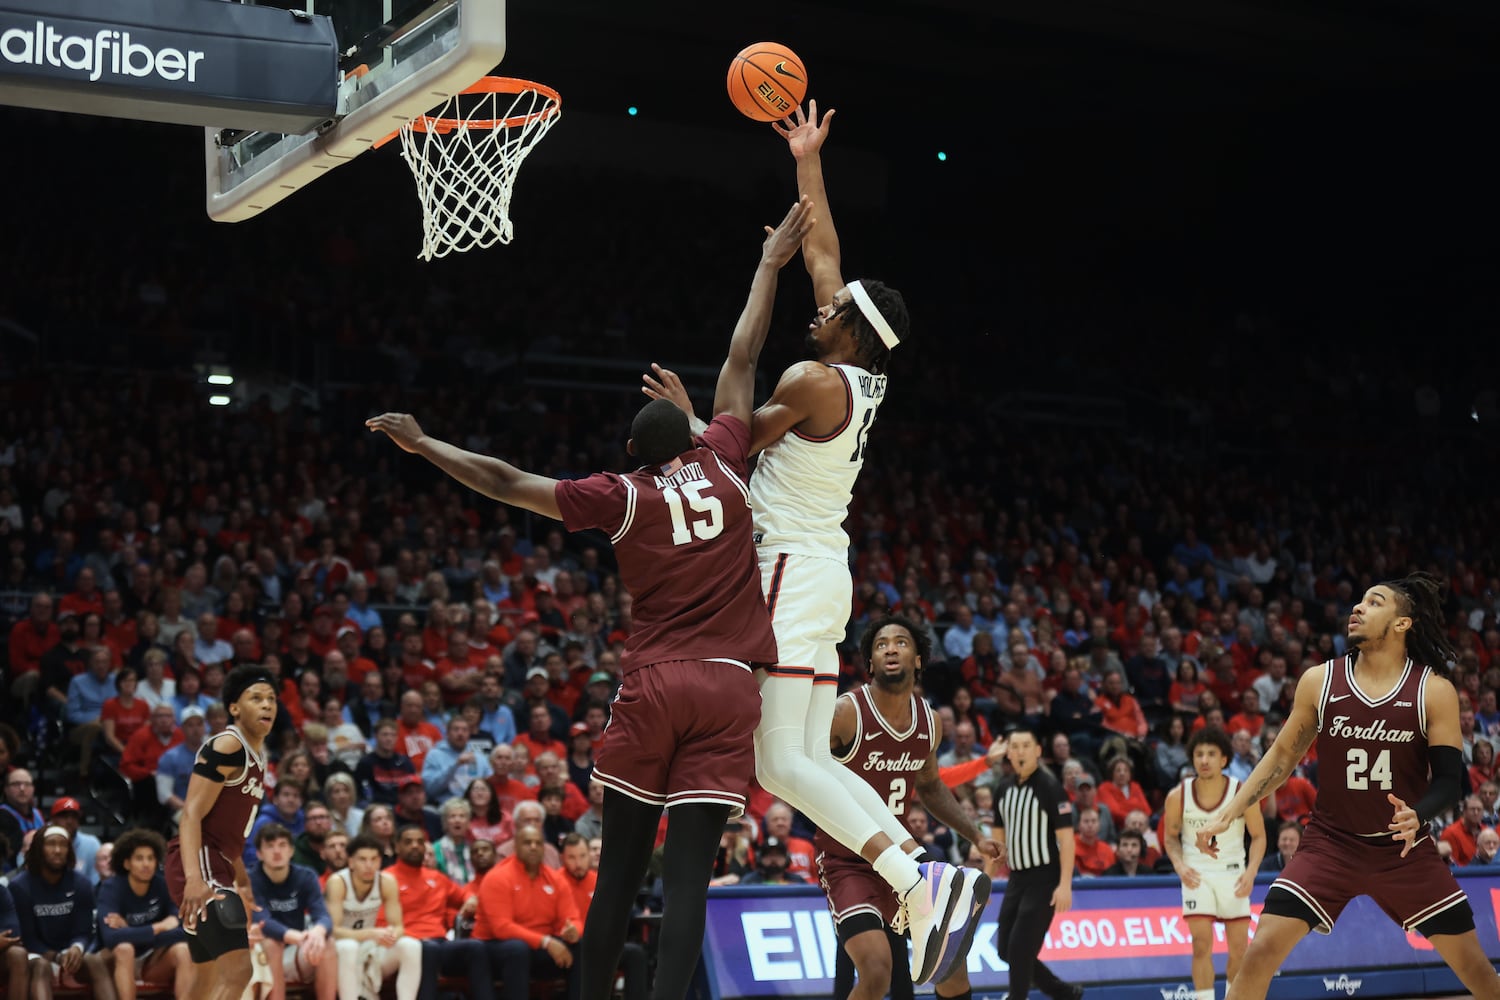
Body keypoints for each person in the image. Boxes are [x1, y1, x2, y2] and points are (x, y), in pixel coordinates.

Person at [369, 198, 811, 1000]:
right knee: (686, 889)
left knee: (616, 880)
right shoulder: (724, 457)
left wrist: (425, 442)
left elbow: (506, 480)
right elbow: (743, 354)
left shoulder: (622, 494)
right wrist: (769, 263)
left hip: (657, 682)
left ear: (635, 454)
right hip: (730, 685)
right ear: (692, 428)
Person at [643, 103, 981, 986]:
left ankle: (919, 879)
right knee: (797, 759)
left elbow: (729, 439)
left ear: (852, 332)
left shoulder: (808, 379)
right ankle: (920, 878)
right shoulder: (857, 373)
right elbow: (826, 252)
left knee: (778, 760)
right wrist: (807, 161)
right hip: (821, 571)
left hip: (791, 570)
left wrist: (684, 417)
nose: (817, 308)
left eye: (830, 311)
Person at [1196, 575, 1500, 999]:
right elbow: (1282, 758)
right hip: (1330, 843)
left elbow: (1452, 780)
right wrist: (1228, 812)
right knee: (1260, 949)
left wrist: (1420, 813)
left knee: (1477, 971)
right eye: (1358, 601)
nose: (1357, 608)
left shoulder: (1432, 691)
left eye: (1373, 603)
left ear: (1402, 624)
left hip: (1402, 850)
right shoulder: (1320, 681)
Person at [822, 616, 998, 1000]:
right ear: (869, 663)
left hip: (903, 862)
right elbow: (804, 772)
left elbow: (932, 787)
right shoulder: (845, 713)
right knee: (875, 972)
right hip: (849, 862)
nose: (890, 648)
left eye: (901, 642)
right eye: (880, 644)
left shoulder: (929, 722)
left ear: (918, 660)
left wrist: (974, 835)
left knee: (951, 967)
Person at [165, 663, 279, 1000]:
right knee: (240, 970)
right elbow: (190, 815)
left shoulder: (261, 754)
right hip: (198, 862)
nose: (267, 705)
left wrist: (241, 880)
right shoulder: (228, 745)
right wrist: (194, 879)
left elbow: (231, 832)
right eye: (255, 698)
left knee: (206, 977)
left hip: (219, 863)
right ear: (234, 708)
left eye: (271, 699)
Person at [1164, 726, 1266, 1000]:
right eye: (1198, 754)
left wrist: (1252, 872)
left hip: (1233, 874)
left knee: (1239, 950)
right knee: (1200, 944)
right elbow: (1170, 837)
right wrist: (1179, 865)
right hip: (1196, 875)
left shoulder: (1241, 792)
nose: (1204, 760)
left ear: (1224, 759)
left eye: (1211, 754)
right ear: (1192, 759)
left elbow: (1258, 837)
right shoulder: (1178, 795)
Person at [992, 723, 1083, 1000]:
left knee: (1020, 949)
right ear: (1008, 752)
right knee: (1005, 949)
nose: (1020, 752)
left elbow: (1067, 840)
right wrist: (985, 878)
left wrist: (1065, 885)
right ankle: (1064, 993)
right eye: (1015, 746)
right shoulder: (1002, 789)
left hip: (1045, 878)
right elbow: (996, 845)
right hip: (1016, 879)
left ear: (1038, 751)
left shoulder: (1050, 787)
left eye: (1026, 746)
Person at [472, 825, 582, 1000]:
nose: (533, 847)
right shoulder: (497, 877)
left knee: (580, 946)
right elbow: (502, 928)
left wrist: (574, 931)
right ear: (515, 846)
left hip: (537, 947)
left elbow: (573, 918)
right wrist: (546, 942)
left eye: (538, 843)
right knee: (517, 949)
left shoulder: (555, 879)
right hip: (494, 947)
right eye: (527, 843)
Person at [9, 826, 116, 1000]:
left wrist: (77, 947)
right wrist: (56, 956)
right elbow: (27, 938)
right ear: (39, 849)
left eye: (63, 845)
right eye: (51, 844)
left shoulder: (82, 883)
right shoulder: (20, 886)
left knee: (95, 961)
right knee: (42, 967)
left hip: (70, 952)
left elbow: (83, 931)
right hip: (36, 954)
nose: (58, 850)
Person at [388, 825, 492, 1000]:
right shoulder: (387, 878)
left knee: (476, 947)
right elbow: (383, 921)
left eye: (420, 842)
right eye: (408, 842)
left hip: (440, 942)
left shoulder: (436, 877)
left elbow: (463, 894)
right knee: (429, 950)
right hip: (408, 945)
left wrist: (471, 899)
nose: (415, 846)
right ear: (397, 847)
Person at [97, 828, 194, 1000]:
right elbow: (110, 938)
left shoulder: (163, 885)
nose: (146, 864)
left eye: (151, 858)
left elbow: (184, 932)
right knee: (124, 948)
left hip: (152, 959)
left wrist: (129, 931)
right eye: (139, 858)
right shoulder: (111, 888)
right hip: (118, 959)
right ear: (127, 863)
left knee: (183, 950)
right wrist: (159, 927)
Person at [247, 823, 337, 1000]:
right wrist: (296, 937)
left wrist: (318, 932)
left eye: (282, 845)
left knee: (328, 943)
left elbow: (322, 914)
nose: (277, 851)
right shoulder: (251, 878)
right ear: (259, 854)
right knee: (273, 943)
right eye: (270, 846)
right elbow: (262, 921)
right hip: (260, 955)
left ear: (291, 850)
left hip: (294, 950)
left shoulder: (306, 875)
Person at [327, 834, 422, 1000]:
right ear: (351, 862)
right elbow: (332, 931)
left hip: (368, 947)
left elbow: (398, 926)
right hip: (338, 950)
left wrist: (390, 935)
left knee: (411, 945)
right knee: (349, 946)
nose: (369, 865)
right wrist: (371, 934)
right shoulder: (337, 882)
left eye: (374, 859)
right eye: (362, 859)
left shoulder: (387, 882)